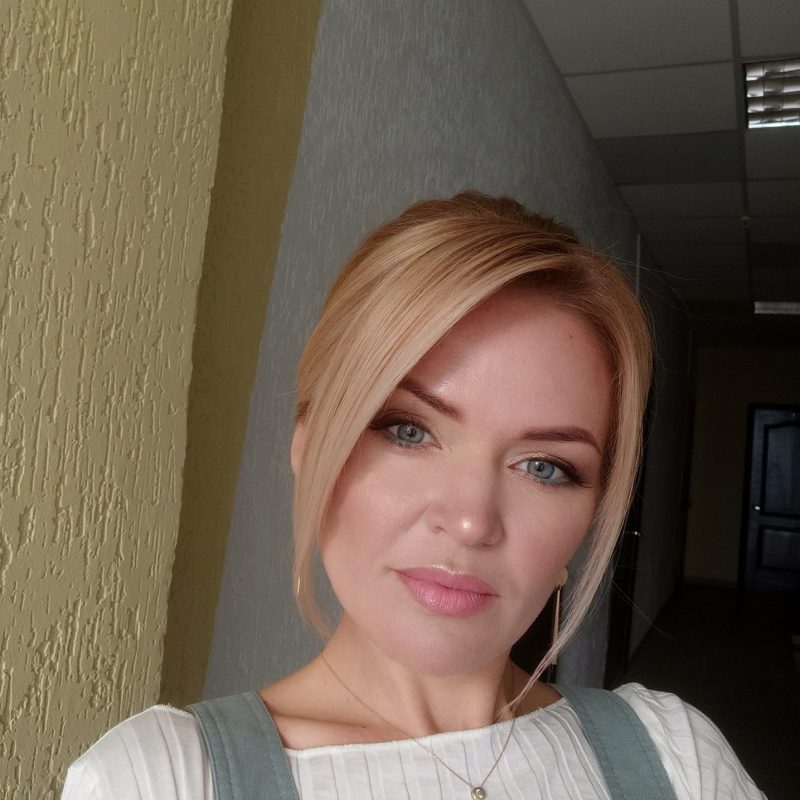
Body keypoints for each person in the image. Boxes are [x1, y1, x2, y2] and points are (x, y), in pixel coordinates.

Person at [61, 193, 764, 800]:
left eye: (544, 467)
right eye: (408, 430)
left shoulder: (678, 760)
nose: (470, 520)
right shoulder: (161, 779)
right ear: (310, 446)